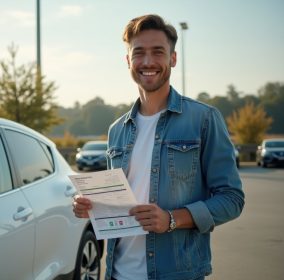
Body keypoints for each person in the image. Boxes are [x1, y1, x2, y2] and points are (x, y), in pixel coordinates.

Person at [72, 14, 244, 280]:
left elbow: (232, 199)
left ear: (173, 59)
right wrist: (90, 206)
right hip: (117, 274)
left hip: (177, 274)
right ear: (129, 61)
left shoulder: (204, 119)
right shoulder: (116, 130)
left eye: (158, 52)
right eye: (139, 53)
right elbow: (117, 205)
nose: (148, 61)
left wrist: (172, 219)